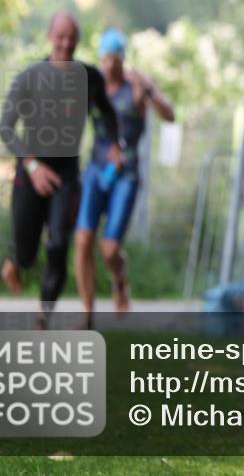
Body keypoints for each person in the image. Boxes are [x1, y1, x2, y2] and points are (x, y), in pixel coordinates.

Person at [0, 13, 122, 327]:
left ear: (78, 39)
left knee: (57, 243)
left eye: (72, 37)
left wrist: (114, 146)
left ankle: (43, 316)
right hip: (30, 173)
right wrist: (32, 165)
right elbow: (6, 129)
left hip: (66, 175)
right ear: (49, 36)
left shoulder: (90, 78)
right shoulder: (29, 77)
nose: (66, 44)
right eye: (60, 36)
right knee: (26, 253)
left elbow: (108, 114)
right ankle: (14, 262)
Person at [74, 29, 175, 320]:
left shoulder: (136, 86)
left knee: (109, 249)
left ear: (122, 59)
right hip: (96, 169)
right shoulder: (94, 86)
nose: (109, 66)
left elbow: (169, 116)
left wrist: (150, 91)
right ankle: (87, 313)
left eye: (114, 60)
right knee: (82, 241)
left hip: (126, 174)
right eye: (104, 60)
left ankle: (120, 281)